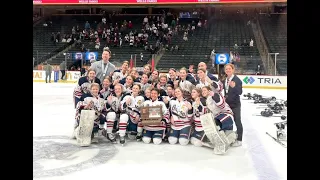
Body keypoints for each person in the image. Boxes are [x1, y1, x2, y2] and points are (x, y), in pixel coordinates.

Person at [222, 63, 243, 147]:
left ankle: (239, 140)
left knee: (237, 121)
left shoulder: (237, 80)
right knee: (227, 121)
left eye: (229, 69)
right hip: (227, 105)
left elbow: (240, 92)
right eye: (226, 69)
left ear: (233, 70)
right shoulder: (225, 79)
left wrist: (234, 87)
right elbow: (226, 91)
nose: (228, 70)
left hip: (235, 105)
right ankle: (229, 136)